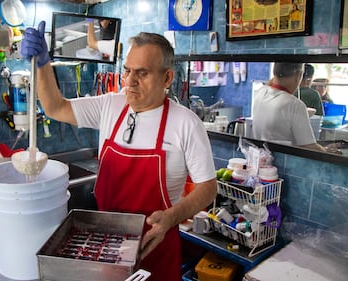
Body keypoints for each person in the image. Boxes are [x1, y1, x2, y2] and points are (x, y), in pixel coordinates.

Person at [21, 21, 217, 281]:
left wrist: (172, 217)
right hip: (105, 250)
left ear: (167, 77)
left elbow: (208, 188)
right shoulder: (110, 106)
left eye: (142, 73)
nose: (130, 82)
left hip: (155, 248)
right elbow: (55, 107)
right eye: (127, 71)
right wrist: (42, 64)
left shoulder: (186, 123)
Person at [252, 62, 325, 151]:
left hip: (259, 156)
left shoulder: (261, 92)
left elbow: (271, 82)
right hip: (282, 160)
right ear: (298, 75)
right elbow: (309, 147)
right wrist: (327, 152)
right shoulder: (294, 105)